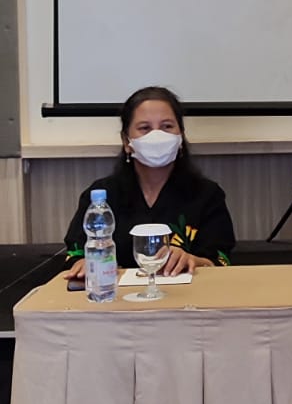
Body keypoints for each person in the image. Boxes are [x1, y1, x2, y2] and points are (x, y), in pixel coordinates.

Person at [65, 86, 235, 276]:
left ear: (180, 137)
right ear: (126, 141)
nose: (157, 136)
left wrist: (194, 261)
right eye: (145, 128)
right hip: (116, 292)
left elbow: (221, 260)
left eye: (167, 127)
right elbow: (75, 253)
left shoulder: (207, 194)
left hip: (188, 292)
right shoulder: (102, 196)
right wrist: (84, 263)